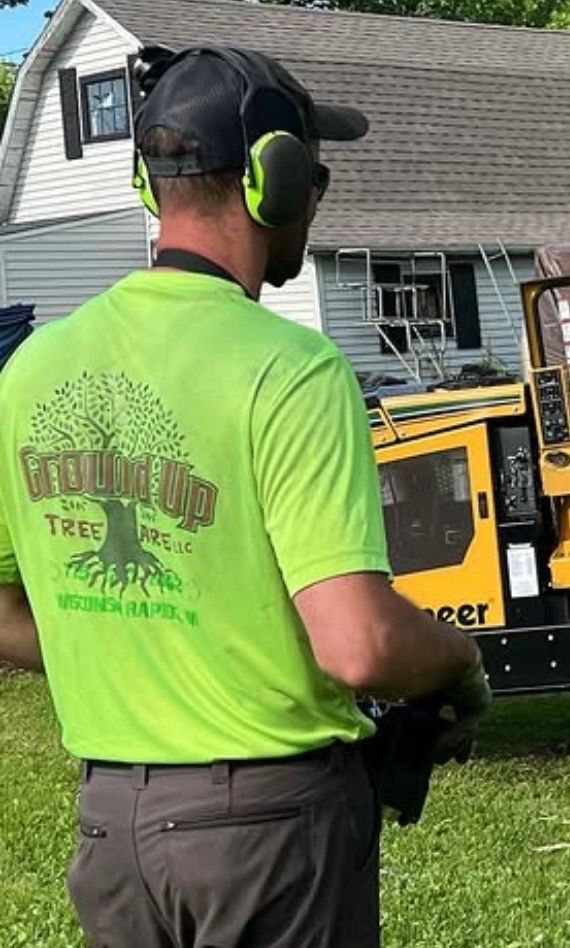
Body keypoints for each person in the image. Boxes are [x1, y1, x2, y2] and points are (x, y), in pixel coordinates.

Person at [0, 44, 490, 947]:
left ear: (153, 190)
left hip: (111, 832)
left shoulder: (30, 371)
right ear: (278, 177)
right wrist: (458, 663)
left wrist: (132, 651)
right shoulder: (290, 371)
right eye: (318, 174)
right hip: (267, 831)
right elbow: (359, 644)